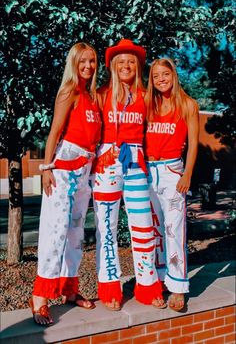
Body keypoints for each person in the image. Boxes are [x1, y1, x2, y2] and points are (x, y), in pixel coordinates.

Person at [30, 42, 101, 325]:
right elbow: (55, 132)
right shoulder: (69, 92)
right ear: (74, 63)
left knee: (75, 234)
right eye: (83, 61)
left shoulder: (92, 97)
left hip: (84, 173)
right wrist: (46, 168)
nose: (88, 66)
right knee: (55, 232)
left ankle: (69, 290)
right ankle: (40, 296)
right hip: (63, 170)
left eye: (92, 61)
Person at [92, 39, 165, 311]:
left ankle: (147, 286)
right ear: (112, 66)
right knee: (106, 227)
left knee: (143, 226)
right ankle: (110, 288)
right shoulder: (101, 94)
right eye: (121, 61)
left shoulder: (146, 96)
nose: (126, 65)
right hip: (106, 164)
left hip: (136, 163)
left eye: (131, 61)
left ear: (138, 66)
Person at [144, 57, 199, 311]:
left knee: (174, 230)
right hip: (147, 171)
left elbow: (194, 144)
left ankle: (178, 287)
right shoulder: (148, 103)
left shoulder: (188, 105)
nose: (161, 80)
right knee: (153, 229)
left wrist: (187, 174)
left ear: (173, 75)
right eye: (155, 76)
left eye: (165, 74)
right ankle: (159, 279)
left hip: (171, 170)